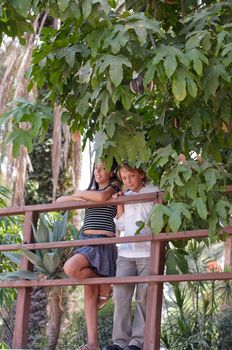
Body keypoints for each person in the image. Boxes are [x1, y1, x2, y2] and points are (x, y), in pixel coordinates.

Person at [57, 160, 120, 350]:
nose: (98, 171)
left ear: (111, 171)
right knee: (89, 292)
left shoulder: (115, 186)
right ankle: (93, 343)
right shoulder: (88, 192)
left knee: (70, 267)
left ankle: (103, 285)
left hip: (103, 242)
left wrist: (81, 196)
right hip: (86, 242)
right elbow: (59, 201)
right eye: (95, 168)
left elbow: (102, 198)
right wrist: (81, 195)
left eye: (103, 168)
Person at [104, 162, 159, 350]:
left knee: (143, 297)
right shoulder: (124, 196)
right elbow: (120, 226)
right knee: (121, 296)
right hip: (126, 253)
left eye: (132, 177)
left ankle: (137, 342)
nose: (128, 181)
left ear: (141, 174)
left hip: (147, 252)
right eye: (125, 178)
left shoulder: (154, 192)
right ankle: (120, 342)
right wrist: (120, 204)